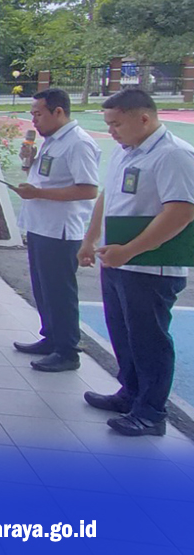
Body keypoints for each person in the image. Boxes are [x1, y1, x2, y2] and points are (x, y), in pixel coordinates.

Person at [78, 88, 194, 436]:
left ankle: (151, 412)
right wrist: (90, 239)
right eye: (108, 124)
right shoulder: (126, 151)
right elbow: (108, 196)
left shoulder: (174, 155)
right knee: (123, 333)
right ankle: (129, 393)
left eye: (116, 124)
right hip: (118, 262)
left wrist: (129, 250)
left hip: (150, 267)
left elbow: (181, 211)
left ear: (144, 118)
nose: (111, 131)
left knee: (149, 340)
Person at [11, 89, 100, 373]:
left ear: (58, 111)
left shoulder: (78, 143)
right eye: (32, 114)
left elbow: (88, 189)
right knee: (43, 288)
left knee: (60, 292)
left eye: (38, 114)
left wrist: (39, 193)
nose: (34, 120)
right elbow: (44, 180)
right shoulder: (52, 141)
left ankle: (67, 350)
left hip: (60, 230)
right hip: (40, 225)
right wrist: (29, 162)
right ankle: (51, 337)